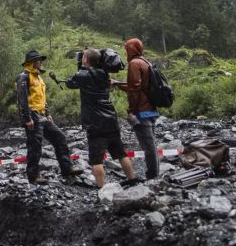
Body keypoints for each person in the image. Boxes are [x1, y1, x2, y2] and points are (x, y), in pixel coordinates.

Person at [51, 48, 138, 188]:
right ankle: (132, 179)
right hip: (110, 119)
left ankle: (102, 188)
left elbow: (70, 83)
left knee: (96, 160)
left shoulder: (82, 75)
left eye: (83, 57)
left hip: (95, 123)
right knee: (121, 153)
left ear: (85, 59)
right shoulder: (105, 74)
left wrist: (80, 67)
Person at [16, 49, 76, 185]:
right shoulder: (23, 77)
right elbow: (22, 99)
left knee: (60, 137)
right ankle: (33, 176)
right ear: (31, 63)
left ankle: (67, 168)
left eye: (41, 60)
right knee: (35, 145)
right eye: (38, 60)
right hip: (32, 115)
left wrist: (48, 113)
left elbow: (43, 98)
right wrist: (27, 118)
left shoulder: (38, 77)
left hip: (42, 114)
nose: (41, 62)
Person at [113, 38, 160, 180]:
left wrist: (131, 110)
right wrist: (118, 84)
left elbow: (134, 90)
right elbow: (138, 86)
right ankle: (154, 174)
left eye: (127, 49)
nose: (126, 52)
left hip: (141, 111)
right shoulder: (146, 62)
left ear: (131, 50)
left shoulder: (134, 63)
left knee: (148, 146)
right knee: (151, 144)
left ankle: (152, 176)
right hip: (151, 109)